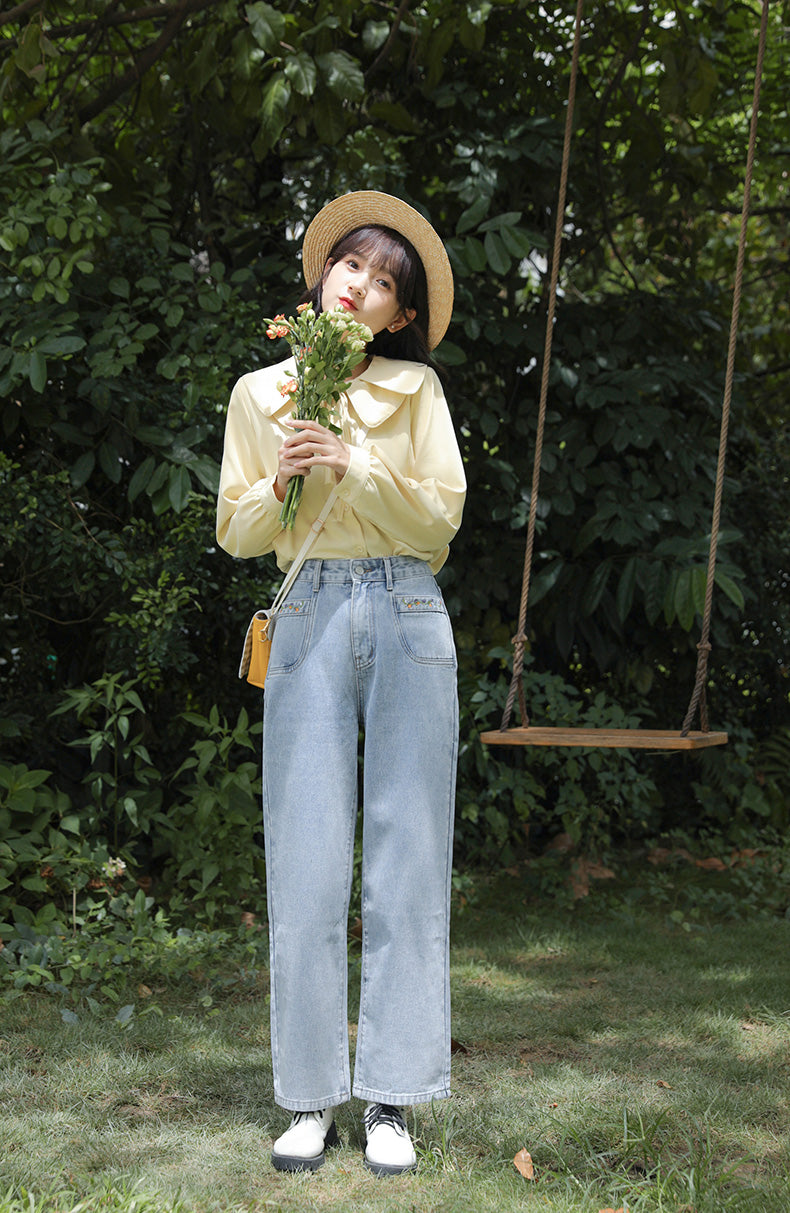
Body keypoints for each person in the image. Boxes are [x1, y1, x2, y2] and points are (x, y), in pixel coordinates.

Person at [216, 191, 466, 1177]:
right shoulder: (257, 392)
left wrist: (354, 462)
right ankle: (311, 1099)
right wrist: (283, 474)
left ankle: (393, 1098)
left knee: (408, 859)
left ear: (399, 316)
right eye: (352, 268)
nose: (361, 287)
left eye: (385, 284)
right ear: (323, 277)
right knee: (308, 859)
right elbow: (235, 534)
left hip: (409, 616)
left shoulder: (418, 395)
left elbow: (436, 527)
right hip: (309, 610)